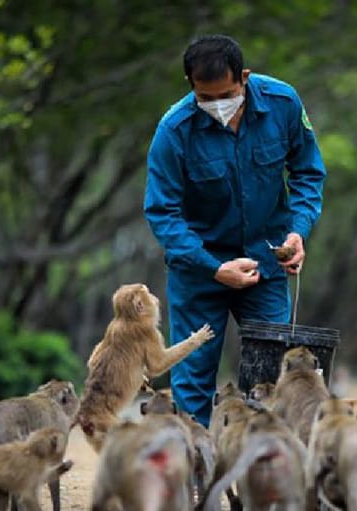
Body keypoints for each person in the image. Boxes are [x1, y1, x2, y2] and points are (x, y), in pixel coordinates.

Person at [143, 35, 326, 427]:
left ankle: (263, 476)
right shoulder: (173, 130)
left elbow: (308, 172)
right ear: (190, 85)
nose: (216, 107)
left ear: (244, 77)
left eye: (225, 94)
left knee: (270, 377)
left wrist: (297, 232)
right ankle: (197, 478)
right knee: (192, 379)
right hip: (199, 271)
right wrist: (213, 266)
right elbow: (163, 213)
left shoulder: (283, 103)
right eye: (205, 98)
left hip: (266, 264)